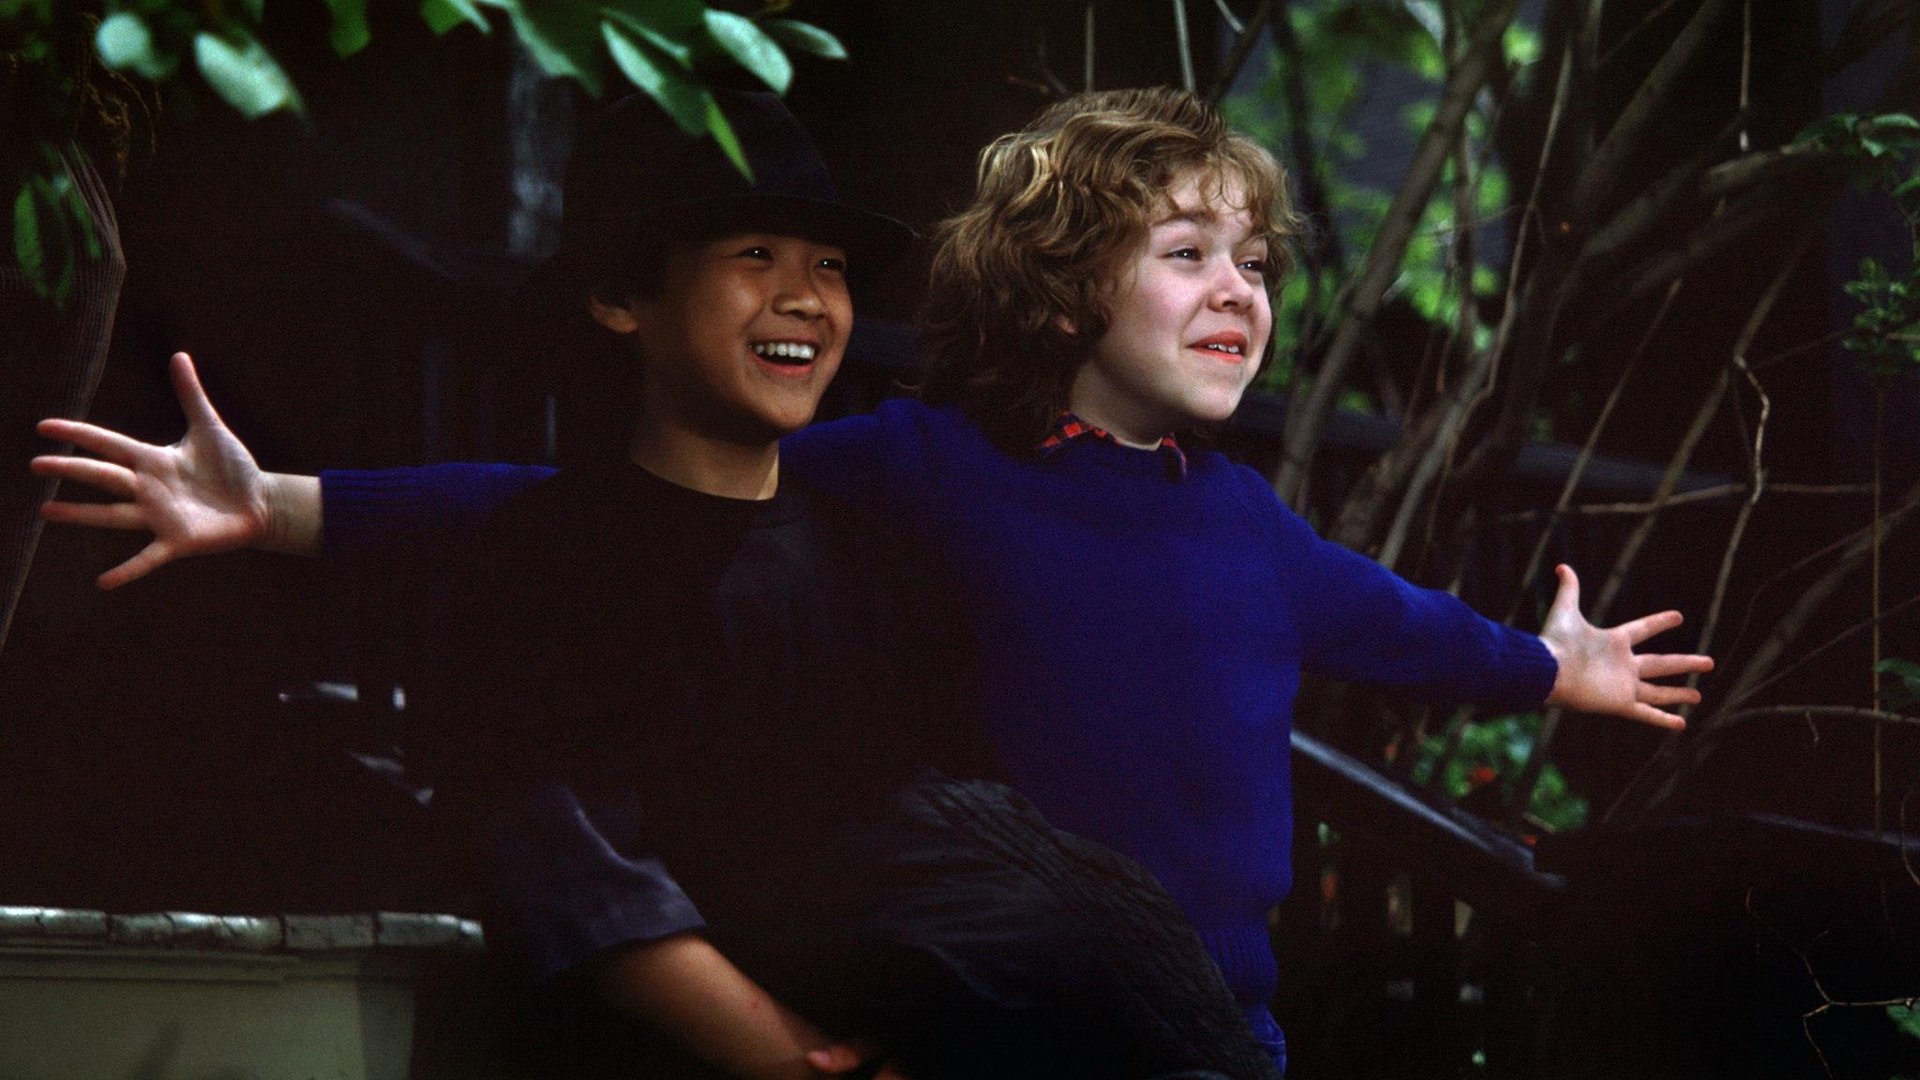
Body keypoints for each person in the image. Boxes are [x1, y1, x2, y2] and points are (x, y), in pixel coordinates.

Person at [35, 87, 1711, 1073]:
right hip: (1010, 1029)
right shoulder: (927, 466)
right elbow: (584, 511)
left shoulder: (1251, 525)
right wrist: (294, 507)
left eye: (1255, 262)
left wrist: (1547, 666)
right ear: (1064, 292)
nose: (1240, 290)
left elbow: (1405, 629)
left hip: (1225, 1032)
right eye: (1188, 253)